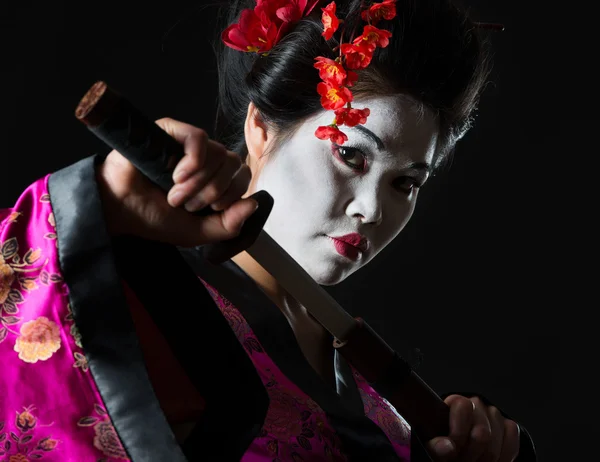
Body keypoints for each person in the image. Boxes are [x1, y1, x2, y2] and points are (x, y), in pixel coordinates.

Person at [0, 0, 536, 460]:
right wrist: (97, 206)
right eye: (350, 155)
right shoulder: (142, 305)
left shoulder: (381, 396)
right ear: (260, 128)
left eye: (405, 184)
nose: (371, 209)